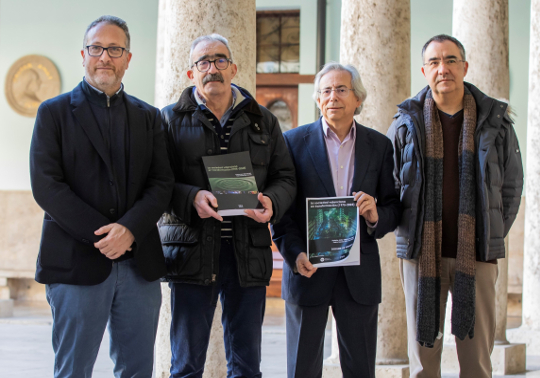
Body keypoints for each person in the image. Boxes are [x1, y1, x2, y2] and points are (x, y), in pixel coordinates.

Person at [29, 15, 174, 378]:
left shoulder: (149, 117)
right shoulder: (53, 113)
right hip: (76, 263)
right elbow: (47, 185)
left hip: (139, 265)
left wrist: (129, 230)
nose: (104, 57)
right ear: (83, 55)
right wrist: (105, 235)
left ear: (128, 58)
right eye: (97, 48)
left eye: (114, 49)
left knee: (137, 370)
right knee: (73, 370)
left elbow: (161, 183)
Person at [387, 34, 524, 378]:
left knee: (476, 362)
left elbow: (511, 187)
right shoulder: (406, 122)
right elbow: (391, 184)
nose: (442, 68)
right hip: (421, 254)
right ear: (424, 70)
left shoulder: (496, 121)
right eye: (434, 62)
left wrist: (489, 232)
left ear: (465, 66)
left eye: (450, 60)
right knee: (422, 360)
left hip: (476, 255)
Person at [160, 34, 296, 378]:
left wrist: (271, 202)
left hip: (246, 253)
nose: (212, 69)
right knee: (186, 365)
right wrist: (191, 196)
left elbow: (285, 177)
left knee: (247, 366)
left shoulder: (263, 120)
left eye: (220, 60)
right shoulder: (169, 120)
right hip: (191, 252)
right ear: (191, 73)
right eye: (203, 62)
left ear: (233, 68)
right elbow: (157, 183)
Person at [272, 62, 401, 378]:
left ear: (358, 98)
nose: (333, 97)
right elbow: (282, 213)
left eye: (341, 89)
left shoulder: (379, 146)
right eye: (325, 91)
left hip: (359, 276)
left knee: (360, 370)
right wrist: (295, 254)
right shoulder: (292, 143)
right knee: (302, 369)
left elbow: (394, 209)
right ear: (318, 99)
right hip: (308, 269)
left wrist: (375, 215)